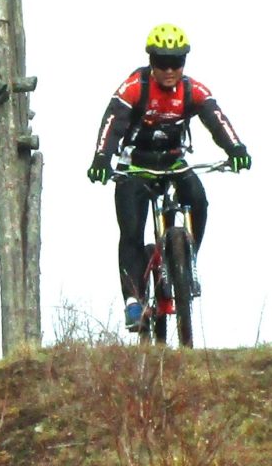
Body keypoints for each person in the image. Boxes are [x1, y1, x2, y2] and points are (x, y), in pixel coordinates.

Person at [86, 24, 251, 331]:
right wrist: (101, 159)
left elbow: (217, 119)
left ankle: (185, 265)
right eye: (162, 62)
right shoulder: (135, 87)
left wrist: (236, 147)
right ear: (151, 60)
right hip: (136, 164)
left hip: (174, 161)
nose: (170, 69)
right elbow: (113, 124)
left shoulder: (192, 90)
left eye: (177, 62)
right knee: (131, 230)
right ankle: (134, 303)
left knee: (198, 200)